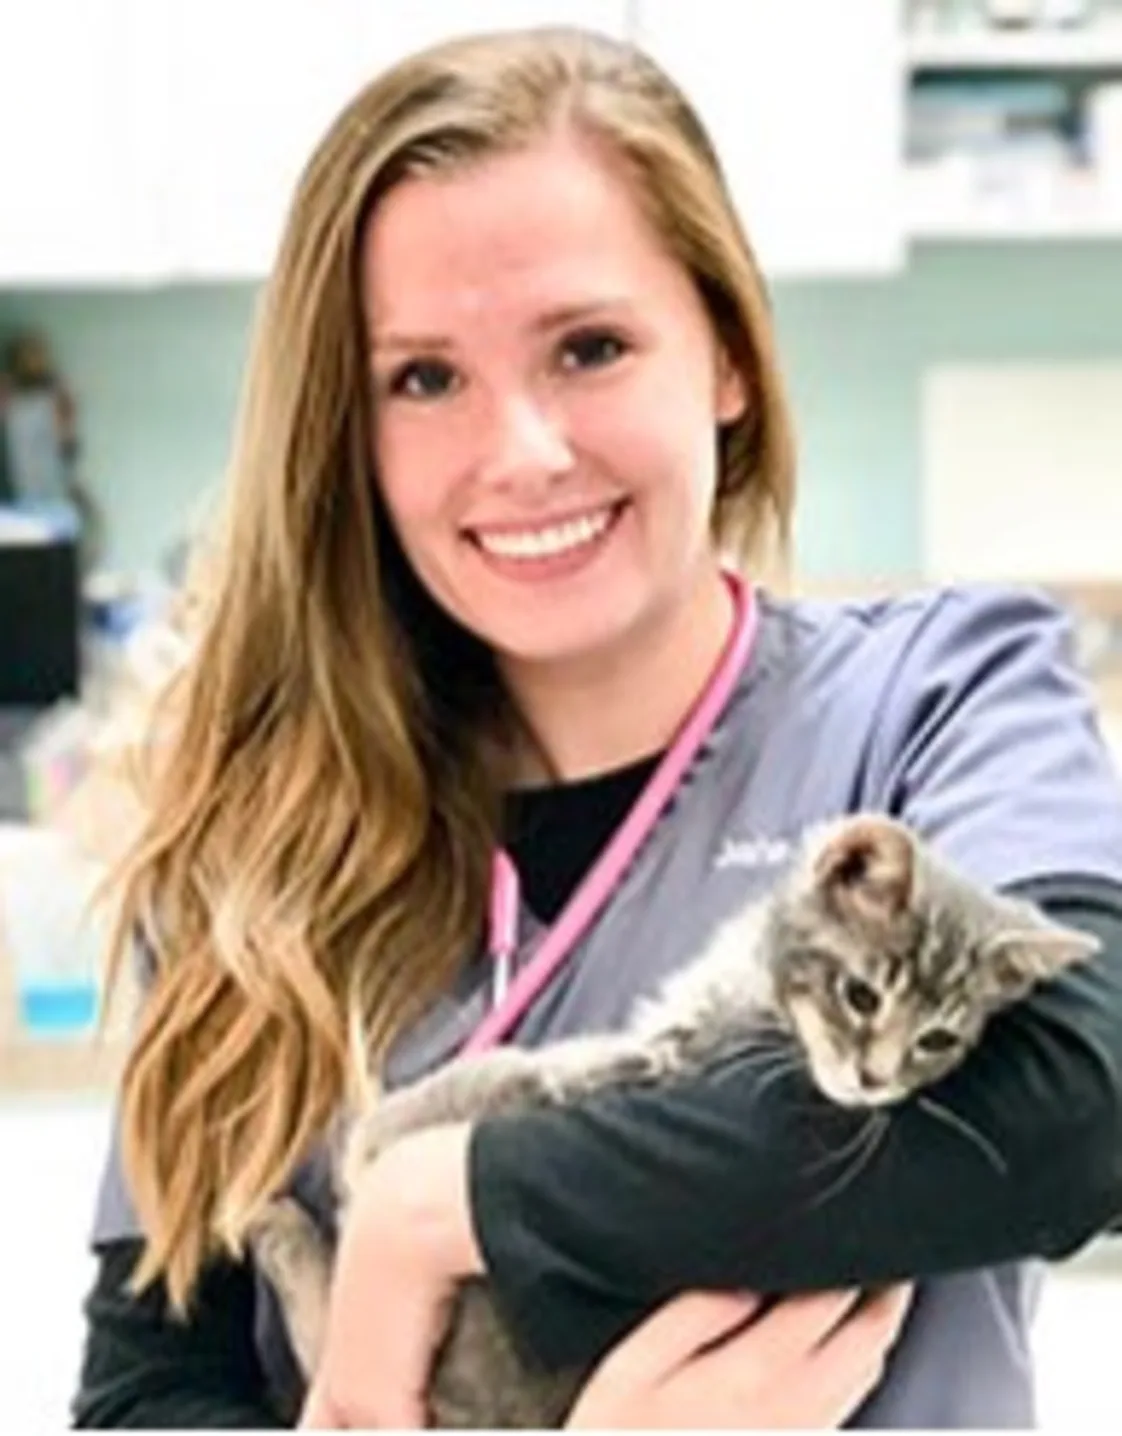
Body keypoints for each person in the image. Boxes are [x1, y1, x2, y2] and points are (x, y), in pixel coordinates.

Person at [72, 24, 1122, 1430]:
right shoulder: (253, 846)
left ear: (728, 356)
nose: (522, 452)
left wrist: (438, 1208)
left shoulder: (937, 701)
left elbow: (1076, 1101)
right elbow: (149, 1394)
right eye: (423, 377)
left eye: (590, 347)